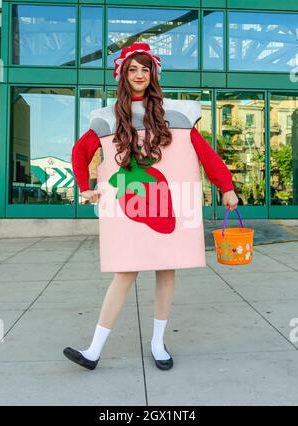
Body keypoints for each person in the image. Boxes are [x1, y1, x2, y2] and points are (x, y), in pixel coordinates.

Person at [63, 42, 238, 371]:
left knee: (166, 271)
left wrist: (226, 186)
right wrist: (85, 188)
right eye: (133, 69)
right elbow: (80, 151)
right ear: (123, 75)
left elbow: (205, 154)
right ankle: (93, 350)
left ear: (153, 73)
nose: (139, 74)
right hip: (129, 208)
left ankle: (158, 343)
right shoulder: (106, 117)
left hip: (168, 204)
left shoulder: (179, 113)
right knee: (124, 273)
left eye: (145, 69)